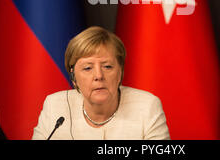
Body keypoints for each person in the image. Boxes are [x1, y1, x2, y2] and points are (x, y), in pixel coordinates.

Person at [32, 26, 170, 140]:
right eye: (87, 68)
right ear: (74, 78)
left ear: (120, 72)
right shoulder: (54, 106)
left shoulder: (147, 107)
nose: (98, 75)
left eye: (107, 66)